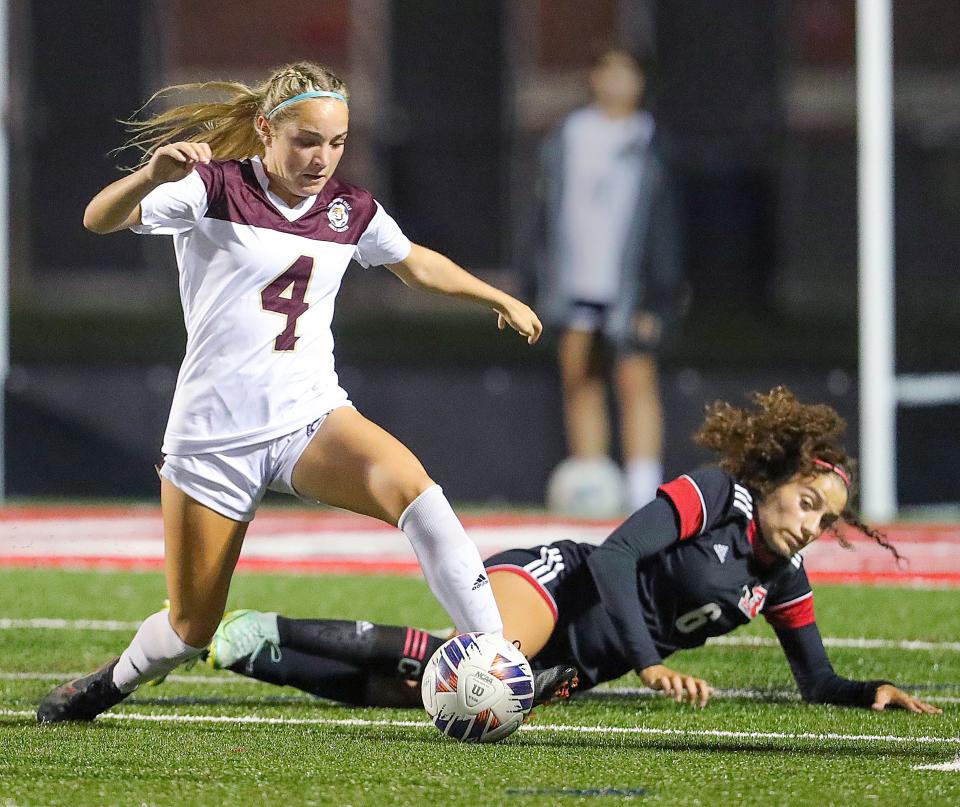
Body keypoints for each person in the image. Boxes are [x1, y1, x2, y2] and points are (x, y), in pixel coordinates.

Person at [37, 62, 544, 724]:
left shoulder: (348, 208)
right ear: (265, 128)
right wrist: (151, 175)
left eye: (336, 142)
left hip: (309, 416)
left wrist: (495, 295)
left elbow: (414, 261)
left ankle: (495, 655)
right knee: (191, 628)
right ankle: (108, 683)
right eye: (307, 140)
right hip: (214, 435)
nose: (322, 158)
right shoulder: (209, 189)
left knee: (418, 494)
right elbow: (98, 218)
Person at [204, 387, 940, 715]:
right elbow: (617, 556)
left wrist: (863, 689)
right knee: (483, 664)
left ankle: (258, 654)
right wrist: (648, 661)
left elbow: (815, 678)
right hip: (561, 582)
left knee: (423, 698)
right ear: (778, 482)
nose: (813, 526)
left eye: (828, 521)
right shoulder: (718, 493)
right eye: (809, 503)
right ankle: (268, 626)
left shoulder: (783, 577)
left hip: (587, 660)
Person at [530, 49, 686, 512]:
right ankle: (591, 479)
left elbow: (665, 224)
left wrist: (659, 293)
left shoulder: (651, 139)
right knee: (580, 377)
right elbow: (544, 215)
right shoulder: (568, 136)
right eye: (607, 71)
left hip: (631, 286)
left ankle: (643, 491)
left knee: (635, 377)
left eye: (626, 73)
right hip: (576, 279)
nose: (615, 82)